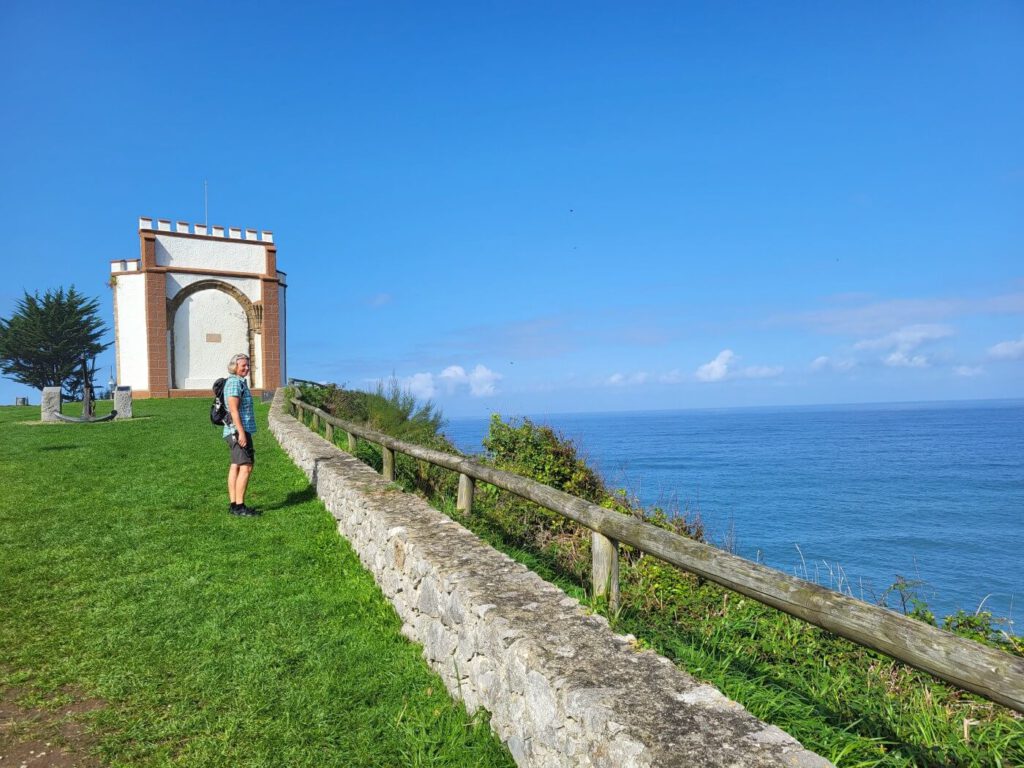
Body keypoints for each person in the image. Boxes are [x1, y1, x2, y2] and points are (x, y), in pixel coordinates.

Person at [224, 353, 260, 517]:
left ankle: (234, 505)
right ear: (235, 367)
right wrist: (241, 433)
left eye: (247, 365)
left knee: (236, 466)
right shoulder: (234, 383)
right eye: (242, 366)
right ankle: (239, 507)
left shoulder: (239, 382)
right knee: (246, 466)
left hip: (236, 431)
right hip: (238, 431)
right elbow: (234, 410)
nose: (246, 368)